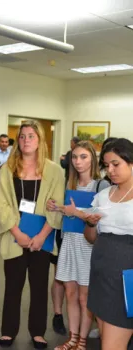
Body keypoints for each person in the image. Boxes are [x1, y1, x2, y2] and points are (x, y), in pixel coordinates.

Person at [0, 120, 64, 349]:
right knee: (13, 286)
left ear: (40, 140)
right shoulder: (8, 169)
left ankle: (38, 332)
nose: (26, 141)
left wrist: (42, 236)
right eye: (22, 136)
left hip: (41, 239)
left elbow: (57, 205)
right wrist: (17, 232)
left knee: (39, 286)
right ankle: (8, 331)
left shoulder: (54, 171)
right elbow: (1, 204)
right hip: (16, 237)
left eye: (31, 136)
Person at [47, 141, 110, 350]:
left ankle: (82, 341)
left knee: (85, 297)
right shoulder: (69, 184)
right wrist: (57, 208)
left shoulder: (101, 185)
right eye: (74, 157)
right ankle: (73, 338)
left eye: (83, 157)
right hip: (70, 242)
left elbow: (103, 218)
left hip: (88, 246)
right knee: (70, 293)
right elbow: (68, 212)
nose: (78, 161)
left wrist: (77, 212)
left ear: (92, 158)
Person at [85, 138, 133, 350]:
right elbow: (91, 237)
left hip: (126, 280)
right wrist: (90, 223)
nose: (110, 170)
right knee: (107, 340)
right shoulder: (103, 196)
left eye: (116, 164)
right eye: (106, 165)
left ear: (131, 162)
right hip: (100, 275)